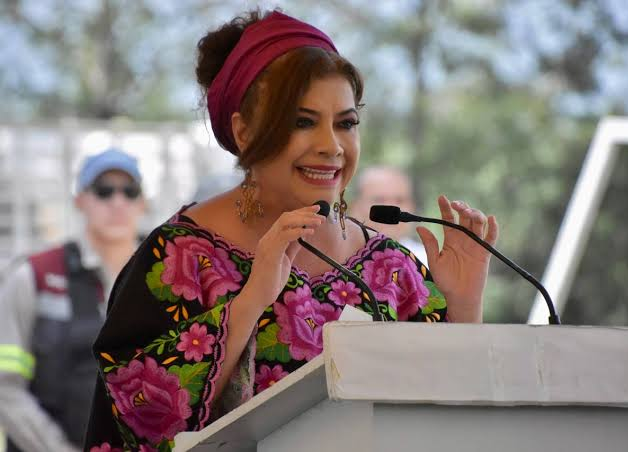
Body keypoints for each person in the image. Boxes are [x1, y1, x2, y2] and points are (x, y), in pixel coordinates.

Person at [85, 10, 499, 452]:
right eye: (303, 122)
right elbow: (138, 418)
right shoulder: (177, 258)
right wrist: (251, 300)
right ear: (244, 131)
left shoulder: (392, 266)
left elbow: (449, 423)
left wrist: (463, 306)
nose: (331, 146)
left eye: (346, 123)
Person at [0, 148, 145, 452]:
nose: (117, 202)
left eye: (129, 191)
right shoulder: (34, 275)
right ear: (80, 201)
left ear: (142, 202)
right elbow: (5, 385)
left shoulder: (166, 276)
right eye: (104, 190)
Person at [351, 165, 429, 266]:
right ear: (355, 207)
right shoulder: (339, 259)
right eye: (379, 200)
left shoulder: (427, 262)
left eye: (400, 200)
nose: (392, 209)